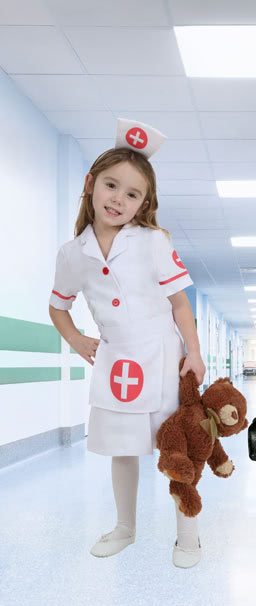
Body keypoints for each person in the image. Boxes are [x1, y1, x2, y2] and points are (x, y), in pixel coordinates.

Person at [49, 119, 205, 568]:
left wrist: (193, 352)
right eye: (111, 185)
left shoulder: (153, 241)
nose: (118, 198)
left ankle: (188, 536)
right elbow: (58, 306)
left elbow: (179, 304)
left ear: (144, 204)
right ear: (90, 184)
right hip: (117, 361)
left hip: (163, 358)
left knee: (179, 450)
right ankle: (125, 527)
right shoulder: (72, 254)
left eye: (132, 193)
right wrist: (77, 339)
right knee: (123, 448)